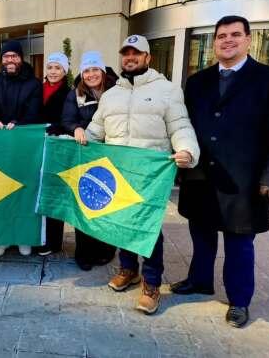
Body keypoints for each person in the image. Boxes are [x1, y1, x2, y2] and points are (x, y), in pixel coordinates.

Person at [173, 15, 269, 328]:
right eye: (221, 36)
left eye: (235, 35)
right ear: (213, 42)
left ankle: (239, 300)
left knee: (239, 244)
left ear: (248, 39)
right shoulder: (197, 81)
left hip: (245, 182)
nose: (227, 40)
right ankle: (199, 281)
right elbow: (183, 126)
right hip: (200, 178)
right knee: (200, 235)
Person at [86, 35, 200, 315]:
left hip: (150, 176)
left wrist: (187, 150)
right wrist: (78, 137)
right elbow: (96, 130)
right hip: (118, 173)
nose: (130, 57)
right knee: (123, 225)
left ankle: (151, 284)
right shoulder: (111, 94)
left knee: (148, 231)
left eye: (137, 53)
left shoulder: (168, 90)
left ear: (148, 57)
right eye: (126, 53)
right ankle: (128, 270)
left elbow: (180, 125)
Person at [0, 40, 42, 257]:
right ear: (1, 60)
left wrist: (18, 122)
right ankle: (3, 238)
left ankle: (23, 237)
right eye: (6, 56)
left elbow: (34, 111)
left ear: (21, 58)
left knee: (25, 192)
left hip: (24, 147)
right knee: (0, 193)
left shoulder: (34, 83)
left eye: (14, 56)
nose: (10, 60)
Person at [62, 51, 118, 270]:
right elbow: (67, 118)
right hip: (85, 155)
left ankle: (105, 249)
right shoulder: (75, 94)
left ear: (103, 71)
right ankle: (84, 252)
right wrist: (75, 128)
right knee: (85, 201)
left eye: (95, 69)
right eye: (87, 70)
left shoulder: (117, 90)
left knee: (107, 203)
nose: (91, 74)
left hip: (111, 155)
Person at [37, 52, 71, 256]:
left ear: (64, 71)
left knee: (54, 193)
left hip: (57, 146)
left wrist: (52, 128)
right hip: (37, 146)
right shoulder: (37, 90)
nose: (53, 71)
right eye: (50, 67)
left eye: (58, 68)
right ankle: (38, 236)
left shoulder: (70, 92)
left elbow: (68, 119)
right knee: (38, 191)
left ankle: (53, 241)